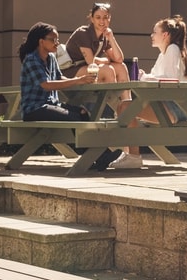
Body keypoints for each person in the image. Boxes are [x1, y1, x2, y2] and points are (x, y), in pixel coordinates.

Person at [17, 23, 121, 170]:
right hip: (34, 109)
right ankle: (95, 156)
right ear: (41, 41)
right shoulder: (31, 60)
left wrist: (84, 79)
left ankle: (95, 157)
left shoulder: (52, 58)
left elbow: (60, 78)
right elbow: (45, 84)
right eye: (53, 40)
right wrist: (78, 80)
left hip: (51, 104)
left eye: (57, 39)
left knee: (83, 113)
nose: (57, 43)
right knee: (74, 118)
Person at [111, 15, 187, 170]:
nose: (151, 35)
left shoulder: (173, 49)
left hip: (178, 107)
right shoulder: (164, 54)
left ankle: (133, 156)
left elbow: (171, 79)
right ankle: (129, 154)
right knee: (123, 107)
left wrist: (145, 77)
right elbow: (157, 77)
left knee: (127, 108)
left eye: (154, 32)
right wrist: (146, 76)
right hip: (166, 104)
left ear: (165, 35)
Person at [62, 2, 132, 107]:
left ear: (109, 19)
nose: (102, 21)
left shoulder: (104, 36)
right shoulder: (83, 33)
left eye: (105, 18)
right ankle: (116, 109)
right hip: (71, 71)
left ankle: (127, 106)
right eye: (98, 17)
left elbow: (119, 59)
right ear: (92, 19)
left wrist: (111, 38)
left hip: (88, 69)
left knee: (121, 67)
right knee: (107, 70)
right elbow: (91, 63)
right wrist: (103, 60)